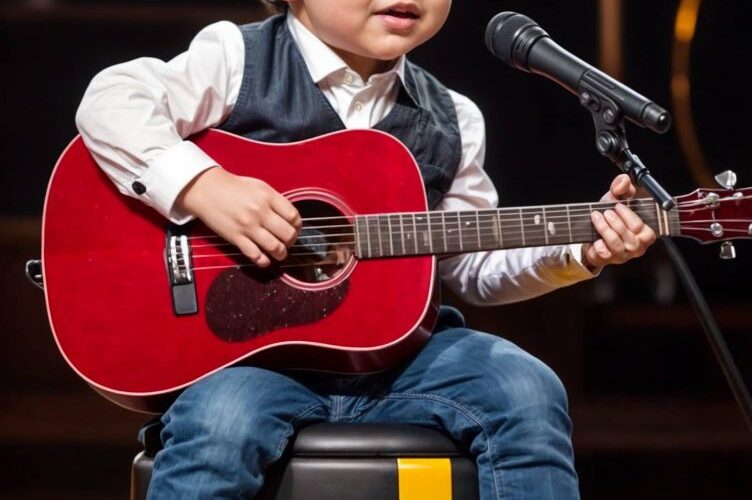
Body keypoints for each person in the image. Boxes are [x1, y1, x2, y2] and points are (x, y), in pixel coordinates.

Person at [75, 0, 657, 498]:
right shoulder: (237, 59)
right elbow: (112, 99)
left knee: (525, 387)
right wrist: (205, 187)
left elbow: (471, 265)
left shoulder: (452, 117)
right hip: (250, 362)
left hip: (402, 361)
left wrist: (583, 251)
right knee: (221, 419)